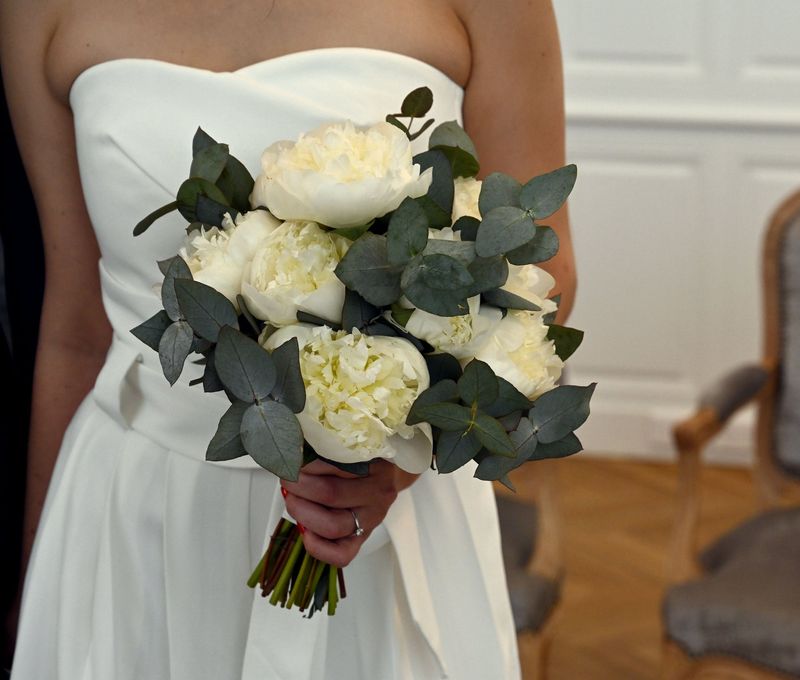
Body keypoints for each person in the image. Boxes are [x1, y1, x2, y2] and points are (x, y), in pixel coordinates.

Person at [0, 0, 576, 677]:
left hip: (377, 524)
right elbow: (74, 325)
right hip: (137, 516)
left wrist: (393, 458)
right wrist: (40, 580)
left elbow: (545, 276)